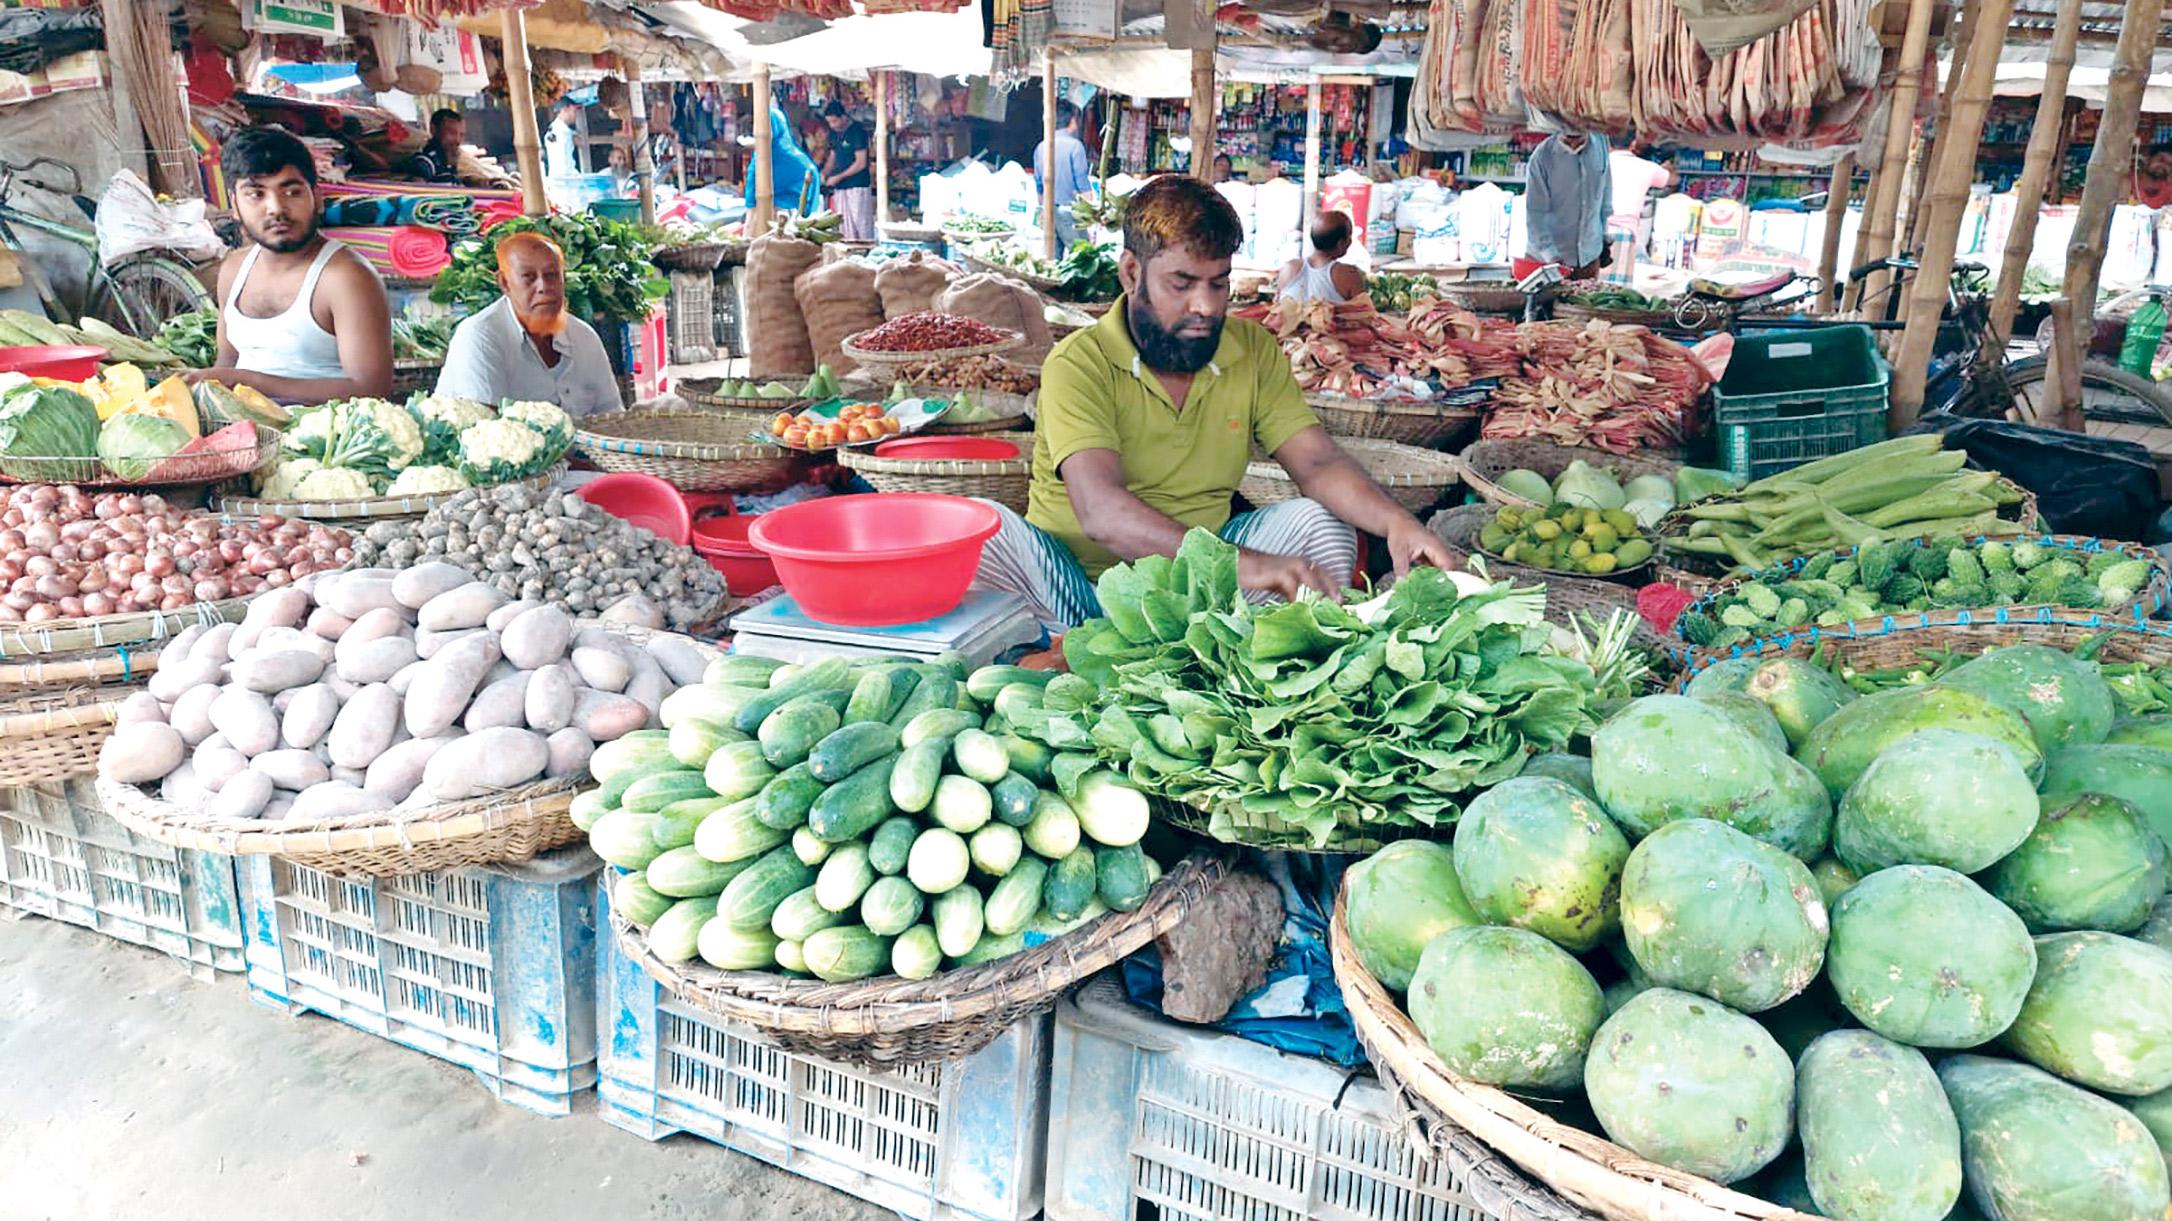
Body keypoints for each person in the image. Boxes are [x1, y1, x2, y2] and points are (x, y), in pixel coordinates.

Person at [970, 175, 1455, 633]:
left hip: (1206, 592)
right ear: (1131, 272)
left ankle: (1257, 653)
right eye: (1181, 284)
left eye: (1218, 283)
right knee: (987, 533)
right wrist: (1247, 565)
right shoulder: (1078, 363)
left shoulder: (1251, 349)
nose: (1205, 305)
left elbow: (1317, 461)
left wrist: (1398, 523)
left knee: (1319, 522)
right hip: (1080, 593)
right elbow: (1102, 512)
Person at [181, 126, 392, 403]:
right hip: (245, 432)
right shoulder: (233, 269)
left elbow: (372, 390)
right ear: (234, 204)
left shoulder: (345, 276)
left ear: (316, 197)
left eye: (291, 192)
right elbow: (228, 361)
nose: (276, 208)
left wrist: (249, 381)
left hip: (325, 438)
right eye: (256, 194)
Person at [434, 232, 624, 418]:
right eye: (529, 277)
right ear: (504, 283)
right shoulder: (479, 336)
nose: (543, 286)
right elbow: (487, 430)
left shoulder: (584, 337)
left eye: (551, 275)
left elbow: (612, 417)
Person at [1525, 131, 1612, 279]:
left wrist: (1603, 238)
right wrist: (1552, 257)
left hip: (1589, 258)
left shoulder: (1600, 143)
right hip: (1547, 260)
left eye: (1578, 139)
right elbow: (1535, 214)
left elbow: (1605, 194)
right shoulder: (1542, 157)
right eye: (1568, 139)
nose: (1573, 145)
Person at [1606, 142, 1675, 278]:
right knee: (1621, 285)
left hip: (1595, 230)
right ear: (1634, 143)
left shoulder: (1599, 164)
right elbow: (1674, 180)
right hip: (1626, 231)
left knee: (1593, 284)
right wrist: (1668, 168)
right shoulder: (1647, 167)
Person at [1034, 101, 1093, 250]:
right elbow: (1082, 182)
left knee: (1054, 262)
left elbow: (1039, 186)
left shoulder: (1041, 147)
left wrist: (1042, 209)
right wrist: (1090, 213)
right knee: (1083, 257)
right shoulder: (1075, 146)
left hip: (1049, 210)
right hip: (1069, 212)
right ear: (1072, 121)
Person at [741, 104, 821, 216]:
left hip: (771, 217)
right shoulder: (800, 160)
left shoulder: (762, 157)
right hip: (800, 220)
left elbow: (751, 196)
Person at [1276, 210, 1368, 304]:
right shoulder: (1348, 274)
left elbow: (1276, 305)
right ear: (1341, 243)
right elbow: (1364, 314)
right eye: (1349, 237)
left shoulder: (1288, 267)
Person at [820, 100, 875, 241]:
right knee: (845, 230)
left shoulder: (857, 131)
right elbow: (833, 157)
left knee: (862, 227)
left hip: (857, 186)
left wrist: (838, 177)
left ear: (843, 117)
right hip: (840, 188)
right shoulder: (834, 134)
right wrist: (824, 173)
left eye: (834, 121)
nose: (832, 126)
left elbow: (861, 163)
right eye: (829, 123)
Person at [406, 108, 464, 184]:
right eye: (452, 133)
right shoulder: (425, 162)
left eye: (461, 135)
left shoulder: (448, 161)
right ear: (433, 129)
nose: (458, 140)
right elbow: (418, 191)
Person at [543, 98, 583, 180]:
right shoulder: (561, 132)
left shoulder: (555, 129)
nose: (575, 115)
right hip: (565, 179)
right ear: (564, 110)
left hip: (558, 178)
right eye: (573, 112)